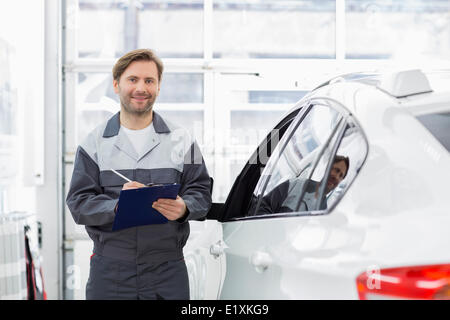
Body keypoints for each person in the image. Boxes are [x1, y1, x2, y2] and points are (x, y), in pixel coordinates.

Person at [66, 49, 212, 300]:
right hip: (111, 271)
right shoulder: (93, 144)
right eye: (132, 79)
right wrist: (116, 206)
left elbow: (201, 192)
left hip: (167, 271)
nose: (141, 88)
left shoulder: (184, 140)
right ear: (116, 84)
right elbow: (79, 204)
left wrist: (185, 208)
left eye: (149, 80)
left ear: (158, 86)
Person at [256, 155, 349, 214]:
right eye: (336, 170)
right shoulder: (296, 184)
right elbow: (262, 206)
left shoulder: (323, 212)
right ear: (327, 168)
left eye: (341, 176)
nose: (337, 177)